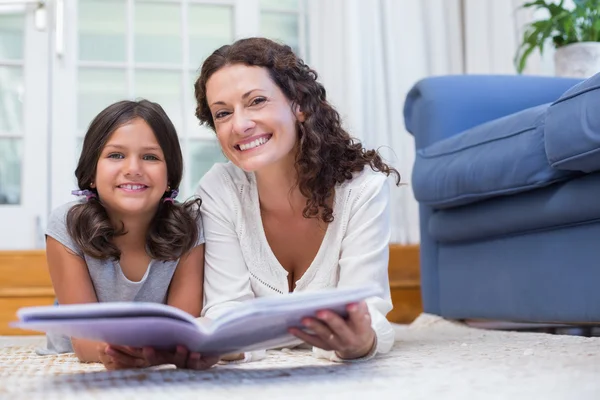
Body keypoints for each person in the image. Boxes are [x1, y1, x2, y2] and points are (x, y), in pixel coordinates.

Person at [194, 37, 401, 363]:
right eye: (222, 113)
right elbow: (225, 306)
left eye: (257, 101)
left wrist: (360, 343)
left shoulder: (363, 190)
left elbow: (368, 308)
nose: (240, 124)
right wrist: (223, 344)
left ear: (299, 105)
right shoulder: (220, 189)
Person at [39, 99, 214, 370]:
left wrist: (155, 351)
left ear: (170, 176)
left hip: (159, 362)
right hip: (73, 364)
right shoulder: (67, 224)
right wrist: (131, 349)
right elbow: (85, 342)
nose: (133, 168)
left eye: (150, 157)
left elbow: (182, 329)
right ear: (91, 175)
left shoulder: (190, 226)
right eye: (116, 155)